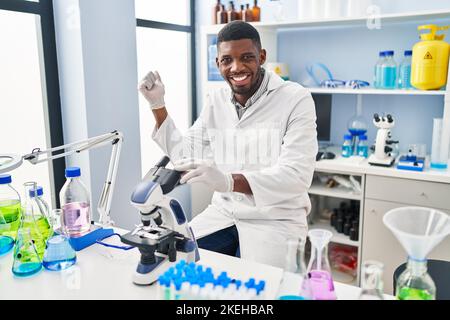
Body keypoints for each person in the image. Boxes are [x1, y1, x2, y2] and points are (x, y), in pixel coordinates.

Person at [138, 21, 317, 268]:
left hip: (275, 220)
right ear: (218, 64)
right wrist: (157, 105)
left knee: (264, 292)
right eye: (227, 60)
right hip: (224, 213)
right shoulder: (216, 100)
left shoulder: (295, 98)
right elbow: (184, 154)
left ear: (262, 57)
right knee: (175, 261)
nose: (237, 68)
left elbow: (296, 176)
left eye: (247, 58)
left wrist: (230, 181)